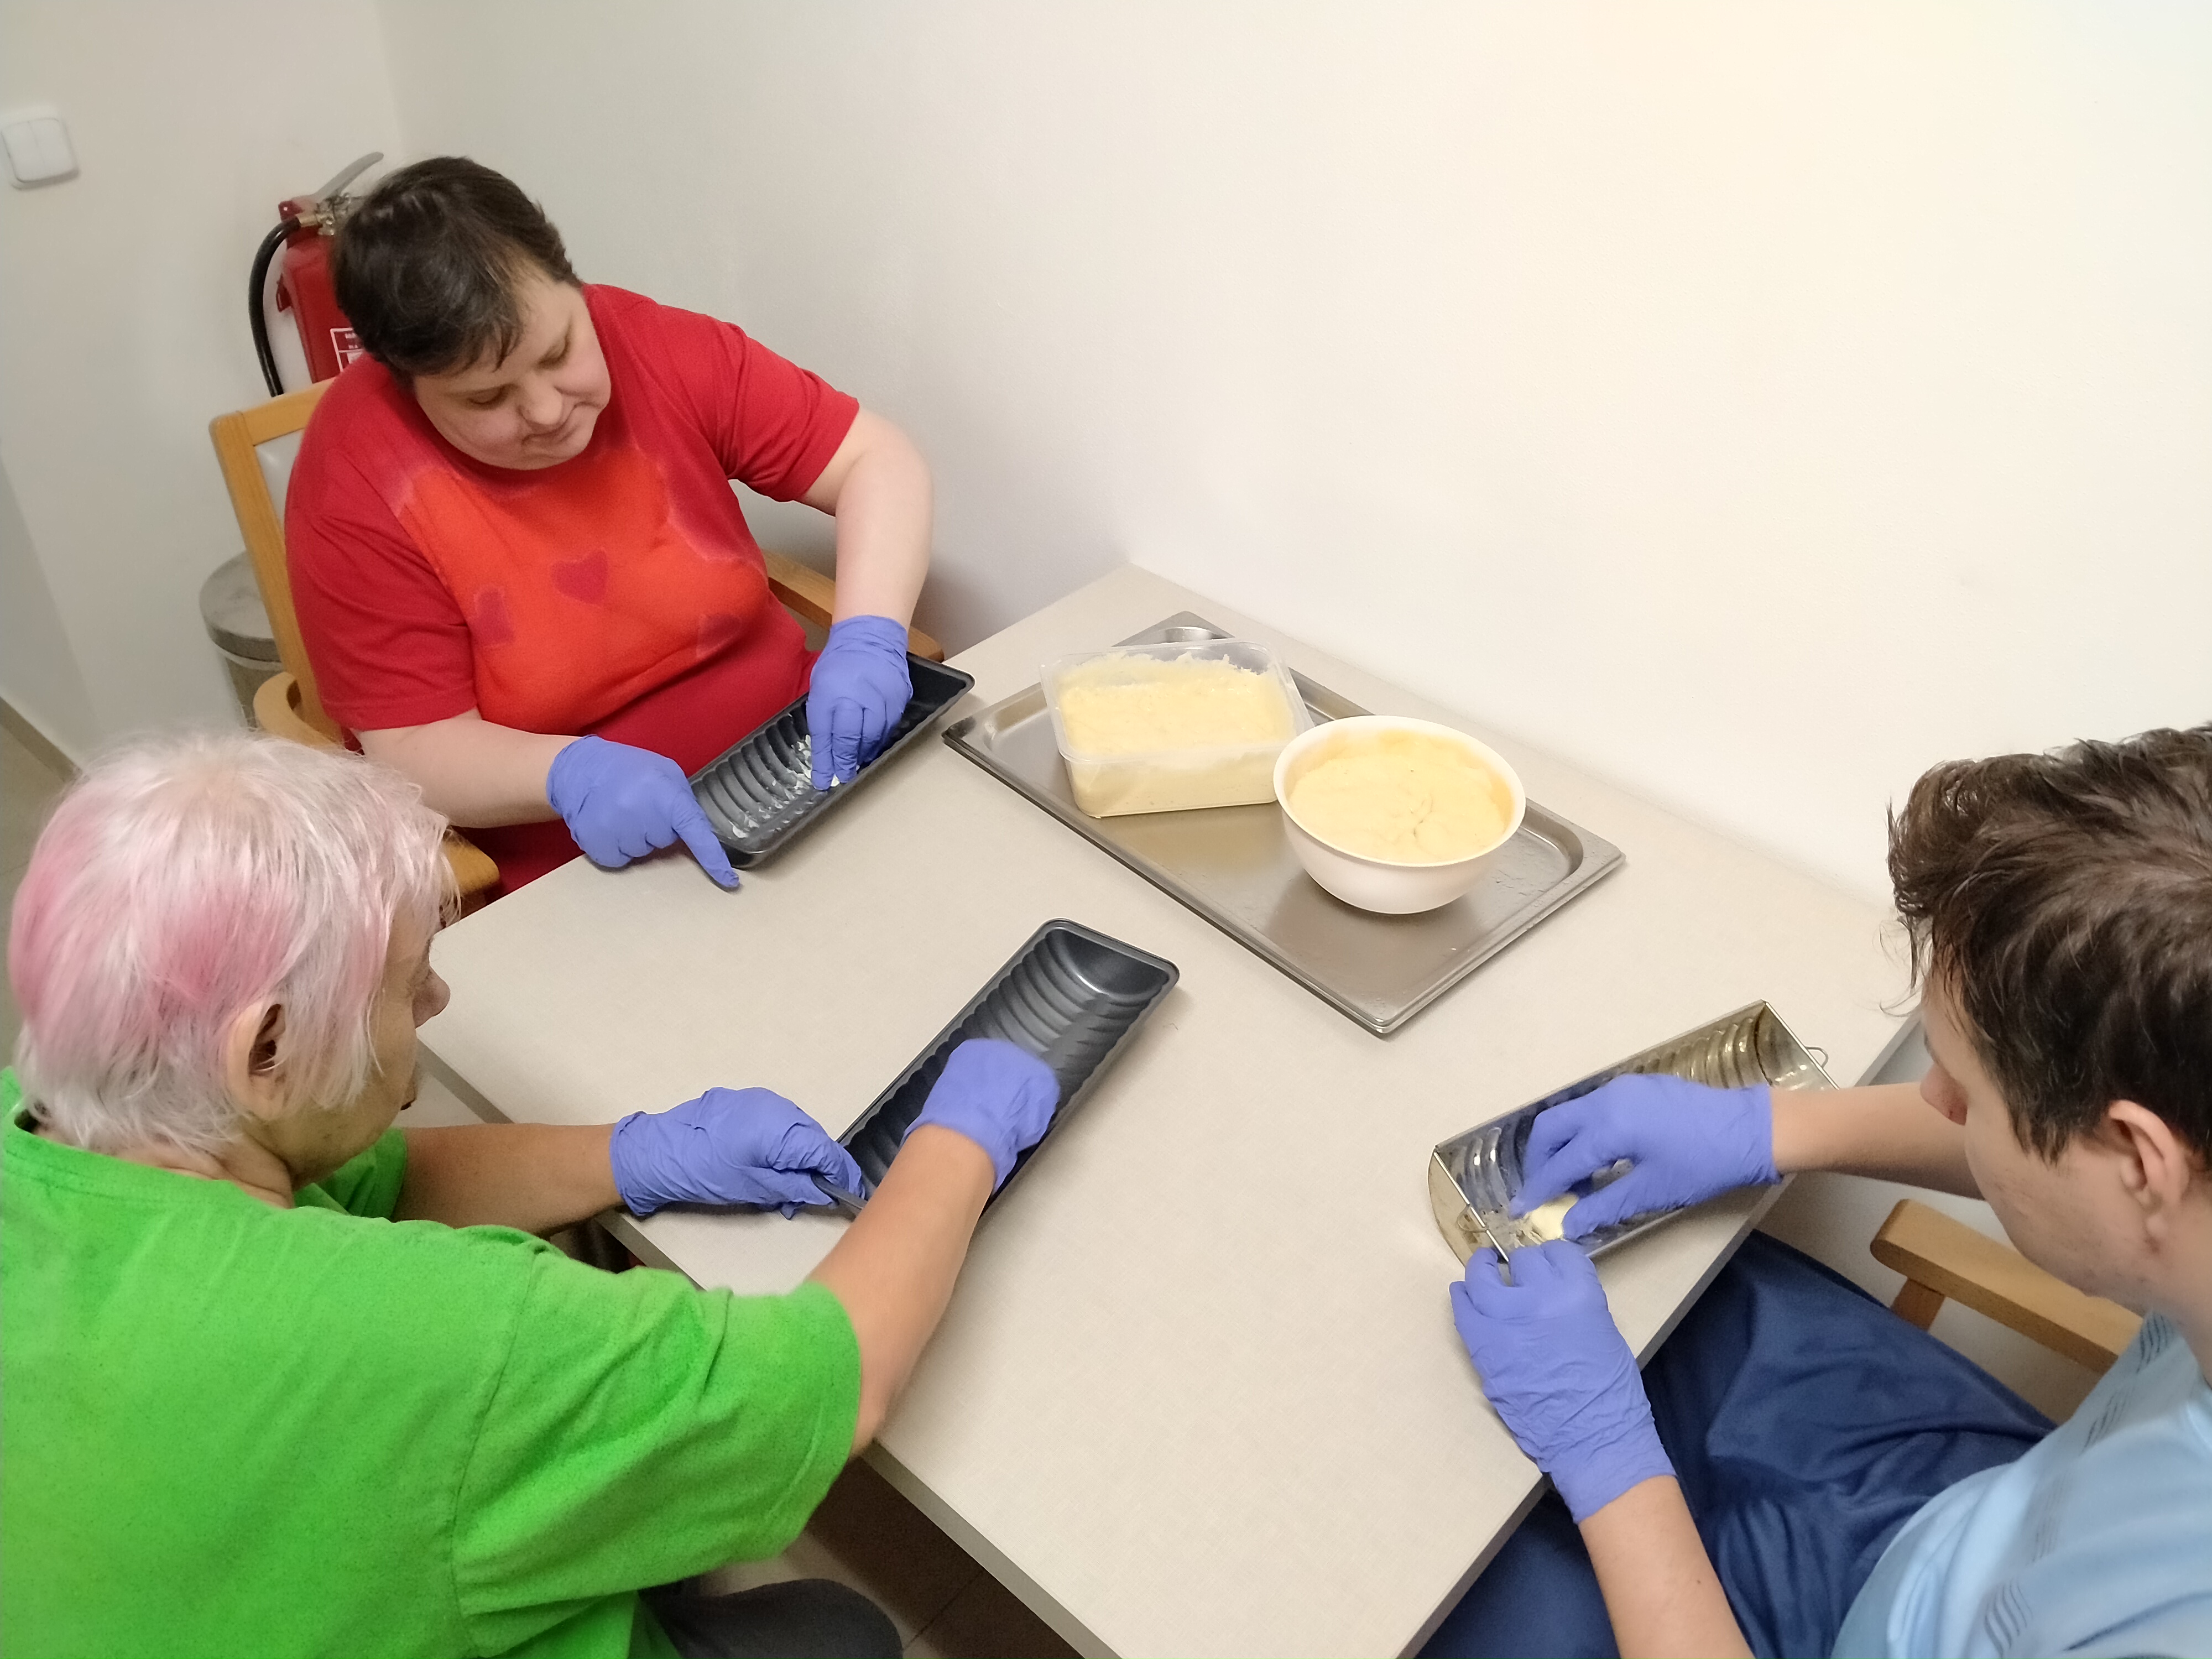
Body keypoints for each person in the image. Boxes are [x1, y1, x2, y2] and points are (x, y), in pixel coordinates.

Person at [2, 732, 1058, 1659]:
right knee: (842, 1630)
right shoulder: (435, 1339)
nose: (438, 997)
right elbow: (828, 1385)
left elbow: (380, 1185)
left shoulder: (62, 1116)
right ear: (267, 1049)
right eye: (408, 981)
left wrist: (638, 1154)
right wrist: (957, 1141)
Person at [1428, 724, 2212, 1659]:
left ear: (2140, 1160)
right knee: (1697, 1308)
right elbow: (2067, 1156)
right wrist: (1769, 1127)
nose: (1935, 1100)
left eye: (1968, 1093)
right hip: (1963, 1530)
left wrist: (1606, 1456)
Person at [286, 156, 933, 893]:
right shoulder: (355, 478)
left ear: (572, 284)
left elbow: (876, 461)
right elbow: (409, 744)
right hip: (577, 852)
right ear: (406, 382)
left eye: (559, 352)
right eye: (487, 398)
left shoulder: (651, 343)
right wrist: (567, 775)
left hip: (793, 756)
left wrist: (869, 636)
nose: (546, 411)